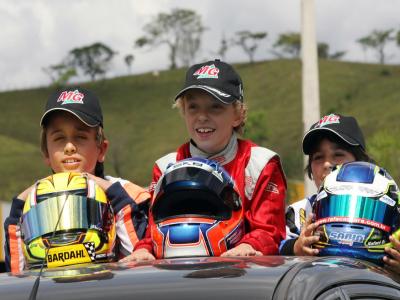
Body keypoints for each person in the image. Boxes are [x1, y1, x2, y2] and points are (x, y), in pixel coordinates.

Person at [122, 59, 287, 262]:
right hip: (180, 272)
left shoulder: (261, 163)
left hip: (241, 274)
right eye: (193, 107)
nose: (202, 117)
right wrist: (144, 248)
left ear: (238, 114)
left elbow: (269, 230)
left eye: (215, 107)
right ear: (183, 111)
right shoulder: (165, 166)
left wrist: (248, 245)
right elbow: (155, 228)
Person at [4, 87, 150, 273]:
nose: (70, 147)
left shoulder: (131, 195)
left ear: (102, 149)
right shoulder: (31, 203)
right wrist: (17, 209)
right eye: (59, 138)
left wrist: (116, 197)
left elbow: (142, 264)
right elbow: (18, 275)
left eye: (80, 137)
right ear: (46, 153)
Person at [279, 113, 400, 272]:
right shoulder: (300, 212)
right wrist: (295, 248)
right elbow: (275, 248)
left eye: (338, 155)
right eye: (318, 157)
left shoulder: (388, 206)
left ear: (360, 160)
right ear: (310, 169)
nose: (327, 163)